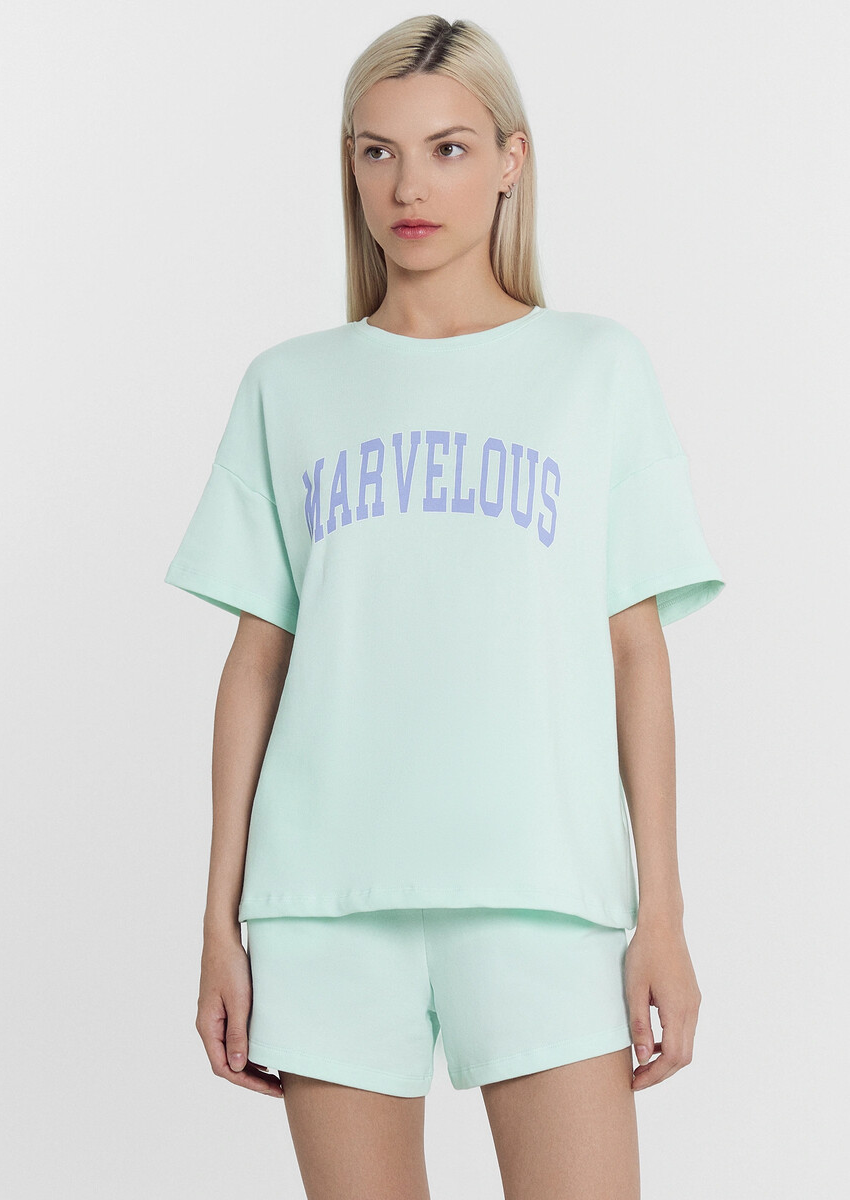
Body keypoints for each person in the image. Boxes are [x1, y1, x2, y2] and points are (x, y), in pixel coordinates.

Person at [164, 14, 726, 1199]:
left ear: (512, 159)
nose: (408, 186)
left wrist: (663, 917)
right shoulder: (289, 385)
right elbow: (257, 662)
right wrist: (218, 922)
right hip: (325, 903)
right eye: (377, 152)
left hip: (543, 892)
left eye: (448, 149)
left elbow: (636, 655)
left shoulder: (595, 369)